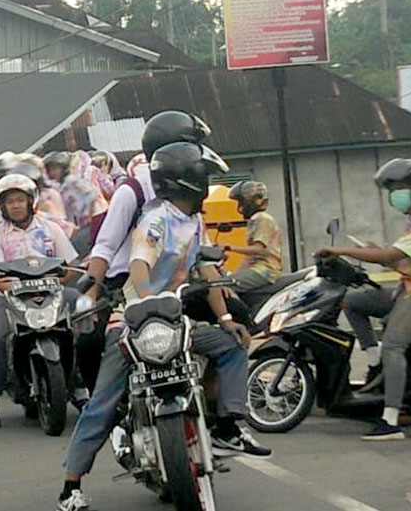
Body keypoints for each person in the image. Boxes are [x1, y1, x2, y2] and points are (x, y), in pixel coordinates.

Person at [56, 142, 269, 511]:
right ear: (189, 180)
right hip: (134, 322)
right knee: (103, 402)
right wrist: (149, 302)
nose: (207, 183)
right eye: (204, 176)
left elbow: (208, 272)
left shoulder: (195, 221)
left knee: (231, 345)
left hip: (176, 320)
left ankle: (228, 424)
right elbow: (139, 263)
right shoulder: (156, 217)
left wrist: (227, 319)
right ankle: (71, 484)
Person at [316, 158, 411, 441]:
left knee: (393, 344)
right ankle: (374, 358)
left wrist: (344, 251)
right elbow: (397, 258)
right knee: (353, 302)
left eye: (400, 187)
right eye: (392, 188)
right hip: (407, 289)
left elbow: (391, 256)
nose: (395, 193)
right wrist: (371, 251)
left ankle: (390, 421)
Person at [82, 110, 210, 388]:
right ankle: (102, 403)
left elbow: (200, 246)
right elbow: (105, 245)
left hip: (176, 285)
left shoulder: (192, 191)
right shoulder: (133, 191)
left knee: (231, 325)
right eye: (191, 147)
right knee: (91, 339)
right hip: (128, 285)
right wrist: (92, 291)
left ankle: (219, 413)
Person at [0, 173, 82, 431]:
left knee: (84, 318)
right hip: (9, 297)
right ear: (2, 206)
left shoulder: (52, 229)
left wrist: (58, 283)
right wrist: (11, 287)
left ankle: (82, 388)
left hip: (52, 293)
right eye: (9, 201)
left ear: (31, 201)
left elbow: (71, 265)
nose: (15, 205)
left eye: (20, 200)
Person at [225, 180, 283, 309]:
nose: (239, 208)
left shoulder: (262, 218)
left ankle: (242, 318)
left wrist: (228, 247)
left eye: (240, 202)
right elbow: (249, 258)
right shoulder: (255, 220)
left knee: (222, 288)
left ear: (248, 201)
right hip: (257, 268)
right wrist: (234, 275)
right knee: (224, 282)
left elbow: (258, 249)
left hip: (265, 269)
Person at [44, 151, 107, 230]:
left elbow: (92, 195)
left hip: (93, 222)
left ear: (63, 168)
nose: (52, 173)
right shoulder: (60, 188)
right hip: (83, 225)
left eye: (55, 169)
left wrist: (90, 217)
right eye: (49, 170)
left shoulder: (71, 181)